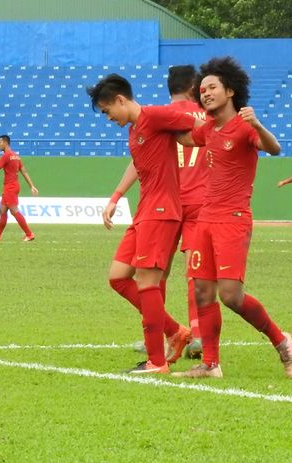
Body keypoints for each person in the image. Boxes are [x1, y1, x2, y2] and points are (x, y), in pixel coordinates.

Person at [172, 56, 292, 379]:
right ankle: (211, 364)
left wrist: (257, 124)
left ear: (230, 90)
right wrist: (153, 122)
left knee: (231, 295)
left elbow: (274, 148)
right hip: (205, 220)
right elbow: (185, 138)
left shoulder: (244, 128)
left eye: (212, 87)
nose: (205, 93)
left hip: (233, 219)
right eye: (201, 89)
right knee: (202, 291)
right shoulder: (209, 129)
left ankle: (281, 339)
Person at [87, 73, 203, 374]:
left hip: (162, 210)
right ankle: (176, 332)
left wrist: (219, 138)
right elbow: (138, 163)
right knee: (118, 277)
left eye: (106, 110)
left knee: (148, 283)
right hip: (144, 210)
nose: (107, 117)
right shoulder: (136, 128)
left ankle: (156, 362)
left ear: (121, 100)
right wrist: (115, 197)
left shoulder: (154, 115)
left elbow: (196, 124)